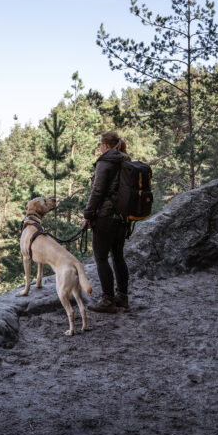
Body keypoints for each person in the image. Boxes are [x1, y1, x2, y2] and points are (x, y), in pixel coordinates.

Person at [82, 130, 131, 313]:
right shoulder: (125, 160)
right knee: (117, 256)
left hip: (105, 216)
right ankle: (122, 297)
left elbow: (97, 191)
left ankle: (107, 301)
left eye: (99, 144)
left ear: (106, 145)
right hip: (122, 217)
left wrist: (87, 214)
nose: (99, 147)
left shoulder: (105, 162)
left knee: (101, 258)